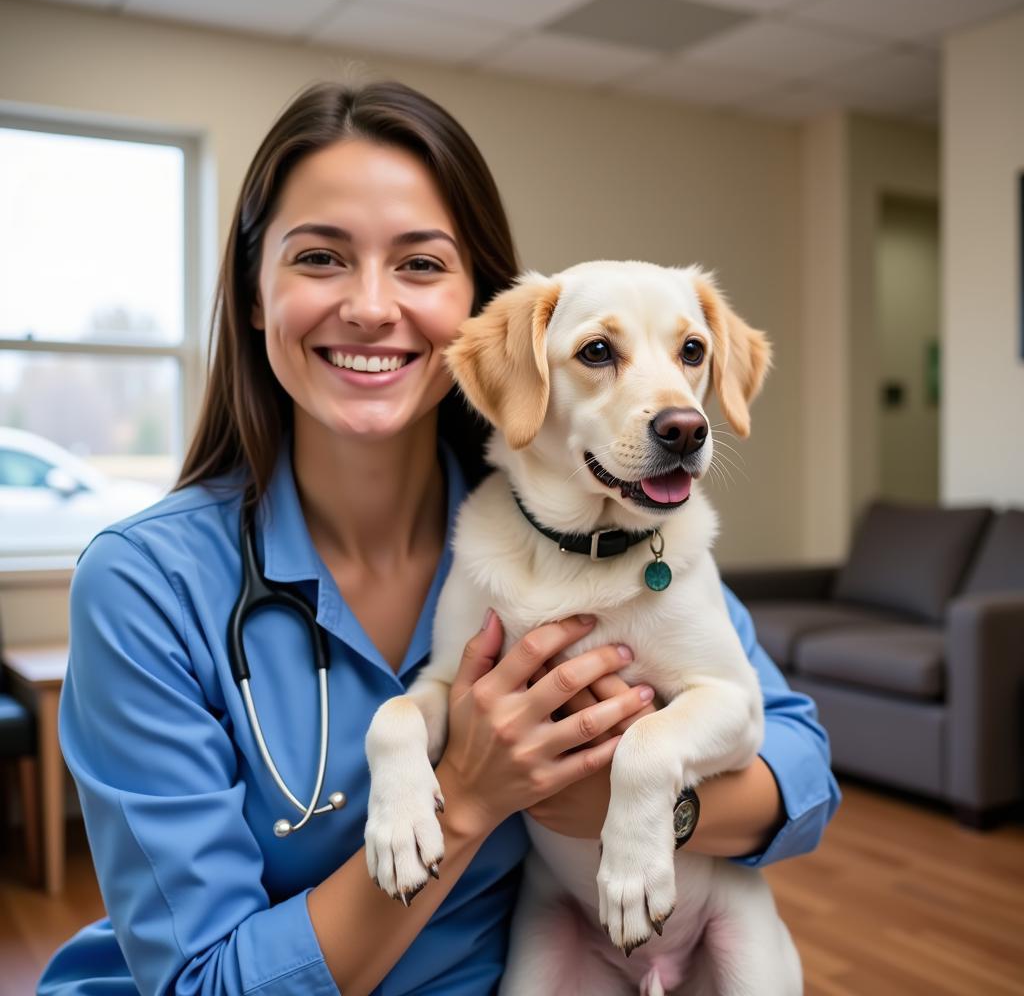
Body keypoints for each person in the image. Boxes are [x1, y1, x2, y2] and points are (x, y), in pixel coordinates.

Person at [38, 81, 840, 996]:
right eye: (320, 258)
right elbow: (200, 984)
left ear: (474, 304)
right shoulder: (147, 586)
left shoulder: (617, 529)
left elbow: (800, 763)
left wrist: (631, 800)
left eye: (420, 264)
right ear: (256, 295)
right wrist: (474, 790)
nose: (372, 307)